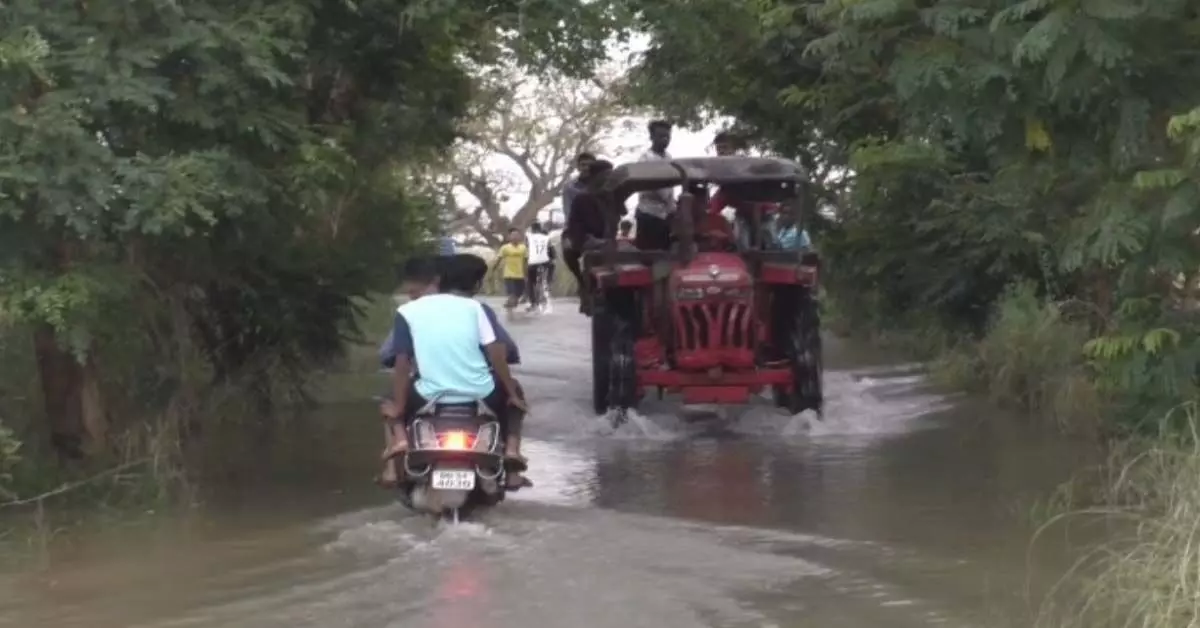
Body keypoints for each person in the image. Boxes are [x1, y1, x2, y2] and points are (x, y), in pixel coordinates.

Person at [381, 255, 529, 488]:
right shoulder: (476, 307)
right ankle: (511, 453)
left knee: (390, 397)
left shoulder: (407, 311)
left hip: (428, 396)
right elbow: (497, 352)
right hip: (482, 393)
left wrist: (399, 408)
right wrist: (510, 391)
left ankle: (398, 447)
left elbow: (402, 362)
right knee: (515, 395)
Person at [563, 160, 615, 312]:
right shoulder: (581, 197)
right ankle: (585, 286)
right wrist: (589, 240)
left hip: (603, 239)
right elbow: (575, 225)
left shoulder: (608, 196)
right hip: (586, 239)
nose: (609, 179)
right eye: (606, 176)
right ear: (596, 176)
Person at [634, 120, 675, 250]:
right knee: (649, 255)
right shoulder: (645, 159)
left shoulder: (669, 158)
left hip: (665, 215)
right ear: (652, 137)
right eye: (661, 136)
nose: (665, 140)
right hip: (648, 213)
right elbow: (652, 186)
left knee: (665, 255)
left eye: (667, 136)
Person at [561, 152, 596, 239]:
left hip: (598, 231)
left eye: (590, 165)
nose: (586, 168)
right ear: (578, 167)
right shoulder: (569, 187)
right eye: (583, 165)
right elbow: (568, 212)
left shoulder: (602, 186)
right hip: (576, 231)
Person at [494, 228, 527, 317]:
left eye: (517, 235)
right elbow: (499, 259)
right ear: (509, 237)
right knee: (512, 293)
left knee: (518, 294)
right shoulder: (505, 248)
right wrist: (494, 268)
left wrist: (526, 273)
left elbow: (525, 261)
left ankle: (509, 304)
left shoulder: (523, 248)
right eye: (513, 235)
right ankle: (510, 314)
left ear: (520, 237)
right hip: (509, 274)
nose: (515, 237)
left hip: (520, 274)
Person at [525, 222, 553, 313]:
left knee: (530, 282)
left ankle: (533, 303)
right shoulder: (546, 238)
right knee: (543, 281)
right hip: (545, 262)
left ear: (532, 230)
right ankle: (544, 299)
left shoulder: (529, 237)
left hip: (533, 263)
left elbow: (527, 248)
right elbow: (551, 249)